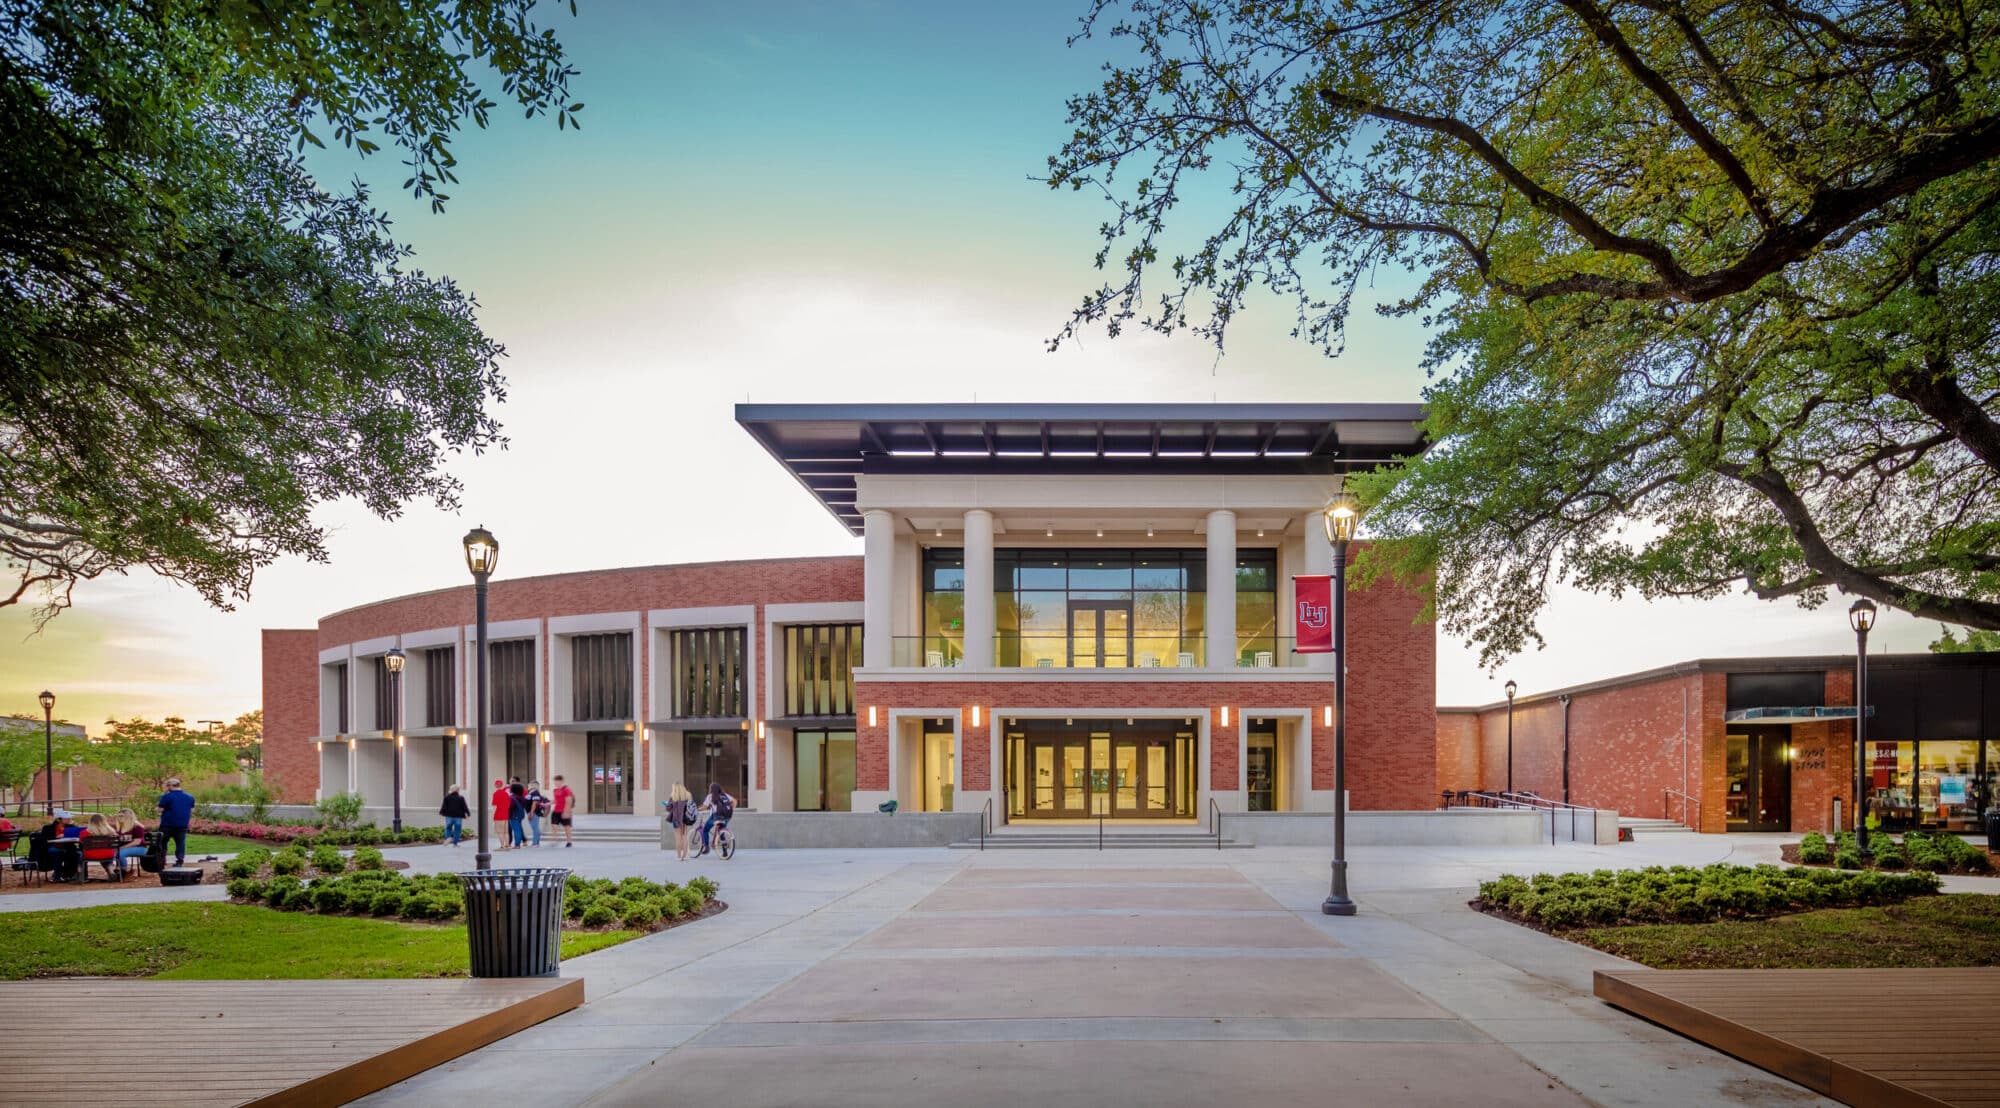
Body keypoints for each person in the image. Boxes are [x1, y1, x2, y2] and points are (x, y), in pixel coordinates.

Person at [156, 776, 195, 867]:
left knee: (163, 842)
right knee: (180, 843)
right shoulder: (189, 796)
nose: (167, 788)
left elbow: (160, 809)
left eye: (167, 786)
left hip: (167, 824)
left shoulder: (167, 796)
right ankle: (179, 861)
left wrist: (157, 809)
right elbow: (192, 810)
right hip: (182, 824)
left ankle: (162, 860)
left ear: (170, 786)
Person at [696, 782, 734, 857]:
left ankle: (706, 847)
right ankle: (725, 852)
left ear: (712, 789)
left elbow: (705, 806)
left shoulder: (710, 796)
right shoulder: (725, 795)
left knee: (705, 830)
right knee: (721, 831)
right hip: (727, 816)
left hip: (716, 816)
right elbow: (735, 801)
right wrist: (731, 809)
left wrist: (697, 809)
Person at [665, 782, 697, 860]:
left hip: (676, 819)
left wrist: (666, 804)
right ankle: (685, 856)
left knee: (678, 838)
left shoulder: (673, 796)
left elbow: (668, 808)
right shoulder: (688, 795)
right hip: (685, 818)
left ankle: (679, 856)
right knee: (684, 836)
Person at [113, 808, 149, 873]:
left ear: (128, 817)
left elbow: (137, 842)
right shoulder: (120, 827)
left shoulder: (137, 826)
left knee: (120, 853)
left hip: (140, 848)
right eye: (118, 816)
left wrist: (121, 848)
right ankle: (114, 870)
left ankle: (124, 870)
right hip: (125, 848)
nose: (119, 818)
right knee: (110, 852)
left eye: (121, 816)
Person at [550, 775, 575, 847]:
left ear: (561, 781)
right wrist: (548, 803)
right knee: (553, 825)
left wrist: (566, 812)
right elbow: (555, 800)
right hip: (556, 811)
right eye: (555, 782)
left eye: (557, 781)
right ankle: (555, 839)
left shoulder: (566, 790)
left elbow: (569, 801)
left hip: (564, 811)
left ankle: (569, 842)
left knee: (567, 827)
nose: (556, 783)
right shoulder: (555, 790)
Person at [489, 779, 513, 850]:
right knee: (506, 832)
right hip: (506, 814)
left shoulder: (496, 794)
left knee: (500, 832)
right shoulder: (506, 794)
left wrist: (492, 816)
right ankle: (507, 845)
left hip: (498, 815)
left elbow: (494, 805)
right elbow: (509, 804)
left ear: (496, 785)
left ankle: (502, 846)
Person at [525, 781, 548, 847]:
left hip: (534, 812)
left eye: (529, 785)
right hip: (532, 812)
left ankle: (535, 843)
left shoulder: (535, 792)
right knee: (535, 827)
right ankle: (536, 842)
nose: (528, 786)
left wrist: (531, 813)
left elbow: (534, 803)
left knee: (535, 827)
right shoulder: (531, 792)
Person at [506, 777, 528, 848]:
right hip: (520, 815)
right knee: (518, 829)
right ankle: (518, 843)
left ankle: (517, 844)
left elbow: (510, 807)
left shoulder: (512, 798)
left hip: (513, 815)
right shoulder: (521, 797)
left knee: (516, 830)